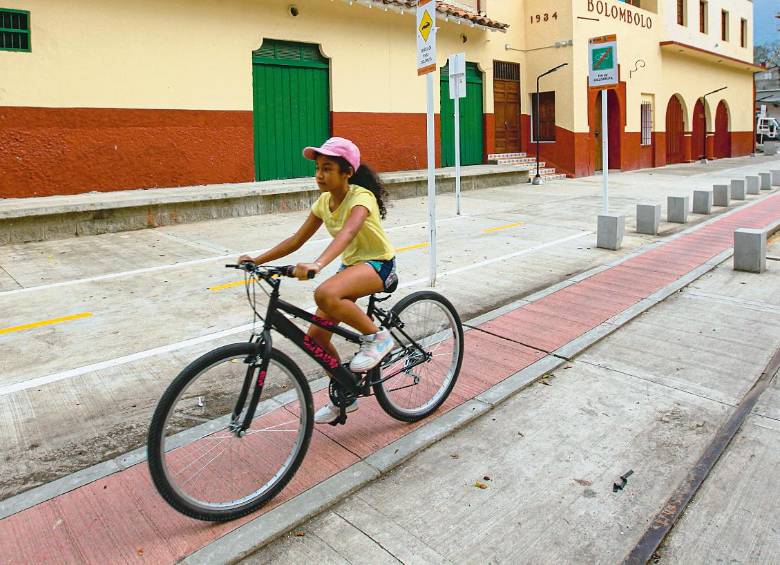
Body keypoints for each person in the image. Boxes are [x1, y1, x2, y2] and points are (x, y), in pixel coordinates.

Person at [238, 137, 397, 424]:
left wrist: (318, 264)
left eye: (327, 168)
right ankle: (344, 391)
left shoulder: (361, 197)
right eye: (317, 169)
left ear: (346, 171)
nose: (319, 175)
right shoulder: (324, 202)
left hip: (378, 265)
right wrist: (256, 260)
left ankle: (379, 338)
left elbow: (348, 233)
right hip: (351, 267)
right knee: (316, 338)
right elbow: (297, 240)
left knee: (325, 293)